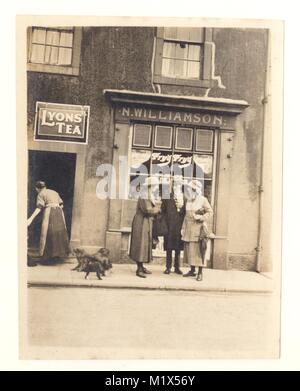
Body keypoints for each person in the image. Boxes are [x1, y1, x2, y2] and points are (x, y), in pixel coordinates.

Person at [27, 181, 70, 263]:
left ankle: (48, 256)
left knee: (48, 232)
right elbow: (62, 204)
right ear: (45, 186)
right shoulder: (54, 192)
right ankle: (57, 255)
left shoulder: (41, 194)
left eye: (36, 189)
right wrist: (57, 208)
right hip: (59, 213)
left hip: (49, 212)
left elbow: (39, 207)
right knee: (59, 233)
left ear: (37, 188)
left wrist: (30, 219)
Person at [129, 176, 161, 278]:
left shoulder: (148, 194)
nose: (157, 187)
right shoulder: (145, 195)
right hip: (141, 222)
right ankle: (139, 269)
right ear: (151, 185)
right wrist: (158, 209)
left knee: (145, 244)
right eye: (156, 185)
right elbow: (147, 210)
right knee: (141, 245)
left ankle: (141, 266)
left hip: (145, 222)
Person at [181, 179, 213, 281]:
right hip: (189, 229)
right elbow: (186, 217)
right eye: (189, 189)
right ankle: (192, 270)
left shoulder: (203, 200)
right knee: (191, 251)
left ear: (196, 190)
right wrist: (183, 228)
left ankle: (200, 272)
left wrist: (201, 217)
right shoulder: (188, 201)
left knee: (199, 251)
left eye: (191, 190)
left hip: (199, 230)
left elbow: (210, 212)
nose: (189, 192)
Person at [161, 176, 185, 275]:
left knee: (178, 248)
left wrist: (181, 208)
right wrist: (164, 223)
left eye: (179, 184)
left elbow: (186, 212)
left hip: (179, 225)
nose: (177, 185)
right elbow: (163, 210)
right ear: (173, 184)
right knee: (169, 247)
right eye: (175, 183)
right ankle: (168, 267)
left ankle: (177, 267)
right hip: (169, 225)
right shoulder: (167, 195)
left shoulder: (184, 196)